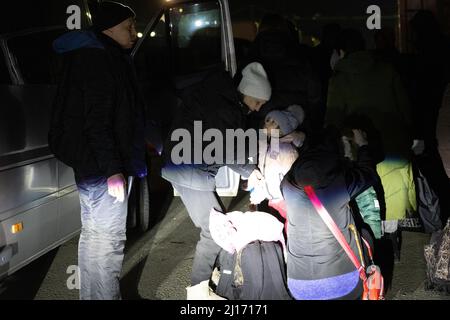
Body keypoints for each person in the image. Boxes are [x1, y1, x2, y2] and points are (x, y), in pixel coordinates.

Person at [49, 1, 145, 300]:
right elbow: (97, 121)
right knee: (108, 243)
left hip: (91, 165)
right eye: (129, 27)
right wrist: (112, 169)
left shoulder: (89, 56)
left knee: (93, 237)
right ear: (109, 28)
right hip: (105, 168)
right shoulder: (102, 60)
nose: (135, 33)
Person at [161, 62, 271, 287]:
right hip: (188, 167)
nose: (259, 108)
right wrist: (250, 171)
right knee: (215, 231)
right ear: (247, 92)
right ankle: (198, 288)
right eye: (258, 102)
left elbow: (235, 141)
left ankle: (224, 274)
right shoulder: (223, 106)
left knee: (219, 225)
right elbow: (227, 148)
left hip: (189, 166)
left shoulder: (225, 99)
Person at [325, 28, 416, 261]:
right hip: (394, 146)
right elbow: (405, 108)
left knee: (369, 203)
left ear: (341, 51)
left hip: (360, 153)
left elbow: (332, 121)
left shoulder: (339, 79)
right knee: (394, 197)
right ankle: (394, 243)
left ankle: (376, 252)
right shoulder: (387, 70)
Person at [281, 128, 378, 300]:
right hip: (342, 281)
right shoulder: (339, 182)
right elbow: (369, 174)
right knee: (365, 236)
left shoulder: (287, 184)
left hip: (299, 283)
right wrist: (363, 145)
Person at [247, 105, 305, 232]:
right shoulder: (266, 142)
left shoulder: (287, 151)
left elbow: (292, 182)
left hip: (285, 202)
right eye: (268, 120)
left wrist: (266, 192)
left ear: (282, 130)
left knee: (289, 230)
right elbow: (260, 164)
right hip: (271, 199)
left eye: (273, 122)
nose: (267, 123)